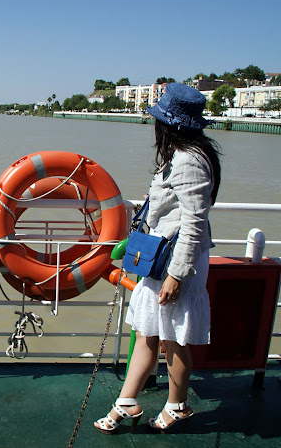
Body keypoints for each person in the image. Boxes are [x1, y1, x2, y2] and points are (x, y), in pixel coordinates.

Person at [94, 83, 222, 434]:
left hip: (176, 264)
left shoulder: (188, 161)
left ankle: (177, 405)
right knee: (148, 331)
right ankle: (126, 400)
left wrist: (177, 276)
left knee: (173, 339)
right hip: (161, 259)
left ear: (168, 125)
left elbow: (195, 222)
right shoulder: (182, 156)